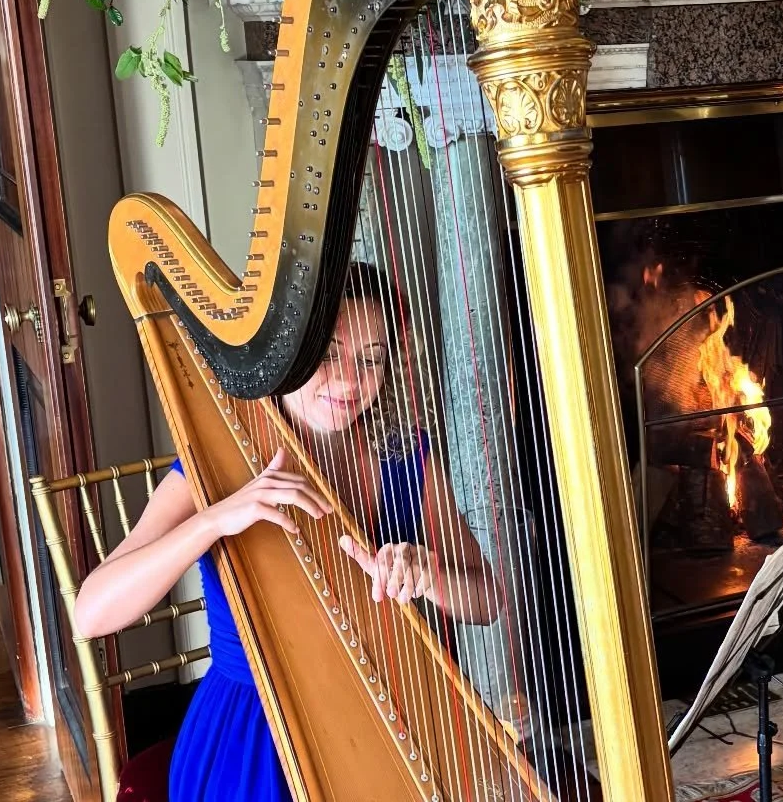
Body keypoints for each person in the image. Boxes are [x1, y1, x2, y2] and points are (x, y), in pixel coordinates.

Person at [75, 263, 498, 802]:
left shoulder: (405, 457)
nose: (349, 380)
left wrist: (429, 573)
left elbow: (487, 600)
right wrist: (217, 518)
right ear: (287, 352)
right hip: (254, 732)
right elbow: (92, 612)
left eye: (371, 359)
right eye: (330, 354)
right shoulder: (217, 462)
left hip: (390, 710)